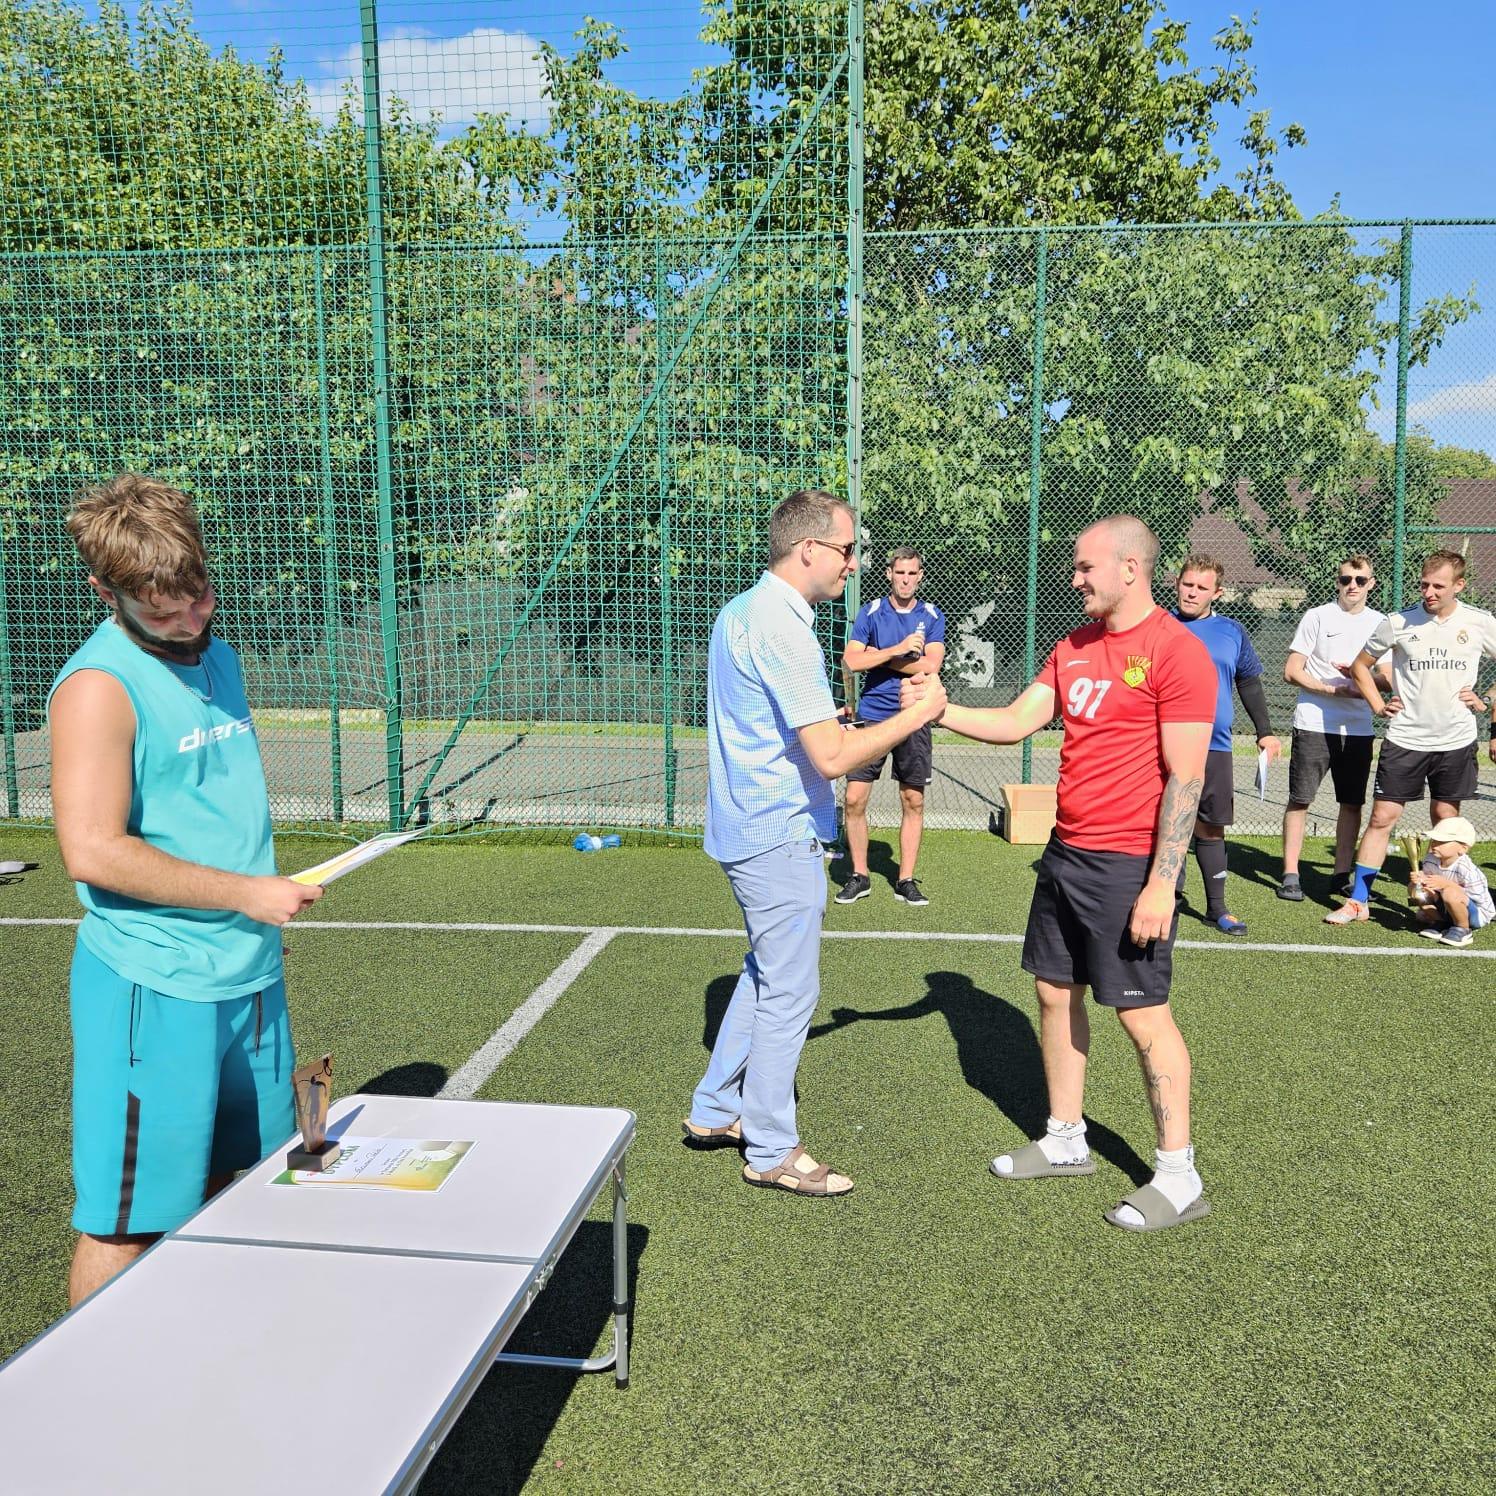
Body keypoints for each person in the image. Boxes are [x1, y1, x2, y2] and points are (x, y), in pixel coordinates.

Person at [48, 474, 323, 1305]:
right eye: (163, 613)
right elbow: (92, 851)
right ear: (106, 593)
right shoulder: (98, 689)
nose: (191, 621)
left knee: (237, 1177)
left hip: (247, 975)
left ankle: (192, 1347)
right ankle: (92, 1378)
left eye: (199, 596)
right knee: (127, 1221)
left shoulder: (218, 654)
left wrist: (249, 917)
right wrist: (243, 893)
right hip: (155, 985)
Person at [904, 515, 1216, 1232]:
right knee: (1052, 992)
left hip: (1129, 864)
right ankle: (1066, 1139)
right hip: (1066, 853)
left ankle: (1178, 1175)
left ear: (1130, 568)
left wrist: (1162, 883)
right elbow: (1018, 721)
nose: (1075, 580)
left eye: (1085, 568)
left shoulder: (1176, 652)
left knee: (1142, 1014)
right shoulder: (1072, 647)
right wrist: (942, 711)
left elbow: (1187, 777)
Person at [683, 490, 947, 1197]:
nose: (853, 564)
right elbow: (831, 758)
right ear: (808, 550)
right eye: (846, 550)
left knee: (766, 972)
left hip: (746, 825)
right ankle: (772, 1148)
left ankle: (715, 1108)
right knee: (790, 990)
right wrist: (919, 713)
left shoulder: (743, 610)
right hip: (777, 832)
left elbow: (773, 721)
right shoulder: (785, 628)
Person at [1326, 551, 1496, 925]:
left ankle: (1440, 900)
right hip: (1406, 738)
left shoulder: (1479, 622)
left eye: (1438, 586)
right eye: (1424, 584)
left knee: (1446, 822)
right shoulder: (1399, 622)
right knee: (1382, 817)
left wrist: (1485, 699)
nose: (1429, 592)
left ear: (1459, 585)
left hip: (1455, 740)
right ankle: (1358, 902)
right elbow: (1360, 666)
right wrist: (1377, 704)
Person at [1170, 555, 1280, 934]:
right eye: (1187, 584)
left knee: (1211, 827)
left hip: (1215, 746)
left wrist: (1264, 731)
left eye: (1201, 587)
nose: (1192, 592)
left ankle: (1216, 908)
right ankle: (1167, 898)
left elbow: (1249, 681)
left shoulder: (1231, 631)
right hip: (1165, 745)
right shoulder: (1158, 625)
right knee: (1167, 823)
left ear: (1216, 593)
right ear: (1177, 584)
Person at [836, 548, 947, 907]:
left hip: (914, 716)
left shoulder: (931, 615)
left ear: (920, 576)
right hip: (871, 715)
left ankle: (906, 879)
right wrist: (898, 650)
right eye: (900, 573)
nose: (905, 579)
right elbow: (851, 660)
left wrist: (879, 657)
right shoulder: (871, 612)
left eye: (912, 573)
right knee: (854, 798)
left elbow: (930, 666)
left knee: (913, 799)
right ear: (889, 574)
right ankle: (860, 875)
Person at [1277, 554, 1388, 902]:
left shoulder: (1380, 622)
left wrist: (1359, 678)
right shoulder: (1317, 616)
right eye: (1345, 579)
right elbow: (1291, 670)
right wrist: (1330, 689)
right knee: (1300, 799)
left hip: (1357, 728)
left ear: (1371, 583)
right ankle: (1291, 875)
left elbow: (1387, 678)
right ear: (1338, 582)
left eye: (1360, 580)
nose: (1352, 586)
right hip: (1313, 722)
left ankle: (1341, 874)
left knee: (1352, 803)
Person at [1408, 815, 1493, 949]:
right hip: (1446, 906)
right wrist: (1420, 880)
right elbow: (1430, 886)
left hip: (1477, 914)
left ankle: (1463, 929)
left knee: (1450, 893)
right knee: (1414, 888)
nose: (1434, 844)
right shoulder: (1430, 859)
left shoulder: (1467, 869)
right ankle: (1440, 922)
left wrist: (1447, 885)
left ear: (1463, 848)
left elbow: (1478, 900)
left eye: (1442, 841)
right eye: (1434, 840)